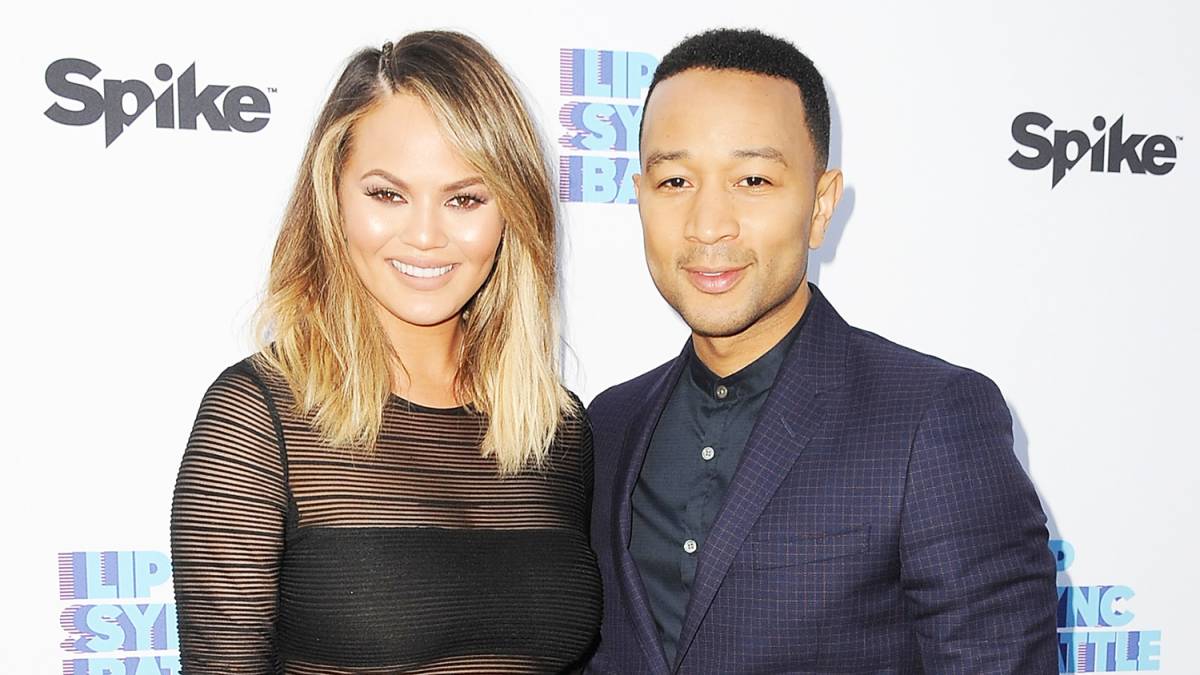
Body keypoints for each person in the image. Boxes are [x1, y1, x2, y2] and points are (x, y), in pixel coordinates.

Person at [586, 28, 1058, 674]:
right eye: (675, 181)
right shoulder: (605, 425)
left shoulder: (930, 421)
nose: (707, 224)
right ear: (640, 197)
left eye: (752, 179)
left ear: (821, 204)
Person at [170, 31, 600, 673]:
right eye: (387, 194)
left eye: (465, 198)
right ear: (332, 198)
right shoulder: (260, 418)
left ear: (512, 211)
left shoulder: (558, 429)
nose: (426, 235)